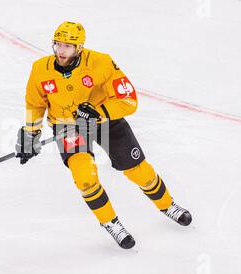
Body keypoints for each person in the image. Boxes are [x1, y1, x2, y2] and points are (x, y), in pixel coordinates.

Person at [15, 21, 192, 249]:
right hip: (68, 127)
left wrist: (98, 113)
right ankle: (110, 222)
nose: (61, 50)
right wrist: (30, 134)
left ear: (79, 47)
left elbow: (128, 99)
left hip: (106, 121)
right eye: (58, 44)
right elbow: (35, 103)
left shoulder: (101, 62)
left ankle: (168, 205)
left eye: (68, 46)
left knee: (140, 172)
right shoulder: (40, 68)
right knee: (85, 178)